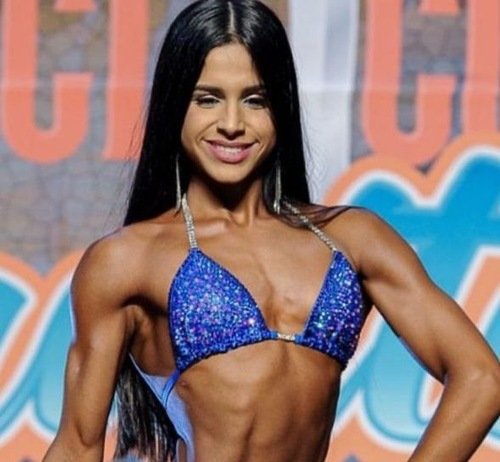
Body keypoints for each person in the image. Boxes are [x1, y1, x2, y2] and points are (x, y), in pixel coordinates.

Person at [43, 1, 499, 461]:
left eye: (255, 100)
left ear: (281, 106)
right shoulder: (127, 260)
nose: (232, 124)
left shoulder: (352, 239)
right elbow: (77, 446)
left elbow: (481, 379)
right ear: (173, 105)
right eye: (207, 99)